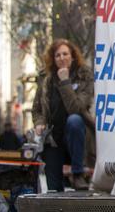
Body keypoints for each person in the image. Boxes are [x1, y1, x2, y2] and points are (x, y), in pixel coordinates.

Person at [32, 39, 93, 191]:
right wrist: (39, 122)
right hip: (53, 137)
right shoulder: (46, 79)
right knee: (53, 188)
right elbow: (37, 109)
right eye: (57, 55)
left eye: (65, 54)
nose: (61, 58)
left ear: (73, 56)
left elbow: (77, 109)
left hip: (78, 137)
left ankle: (77, 173)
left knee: (74, 120)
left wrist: (65, 81)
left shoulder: (84, 76)